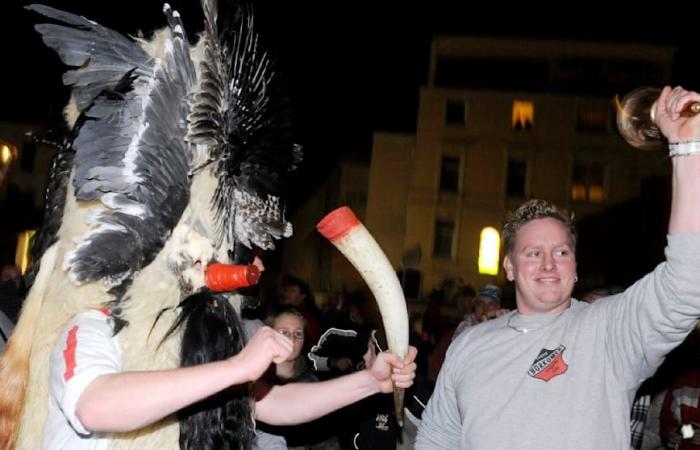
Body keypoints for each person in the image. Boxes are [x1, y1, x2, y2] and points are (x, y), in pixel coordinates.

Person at [416, 86, 700, 449]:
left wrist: (687, 146)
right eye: (533, 253)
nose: (549, 263)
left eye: (562, 252)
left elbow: (688, 282)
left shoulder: (608, 331)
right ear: (509, 267)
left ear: (576, 266)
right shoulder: (469, 345)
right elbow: (437, 438)